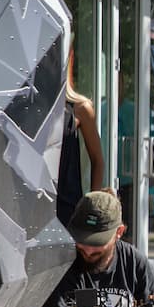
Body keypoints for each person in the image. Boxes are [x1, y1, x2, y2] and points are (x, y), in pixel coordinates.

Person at [56, 45, 105, 225]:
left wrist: (92, 205)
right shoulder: (32, 104)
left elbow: (98, 160)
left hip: (68, 205)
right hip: (33, 201)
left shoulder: (80, 108)